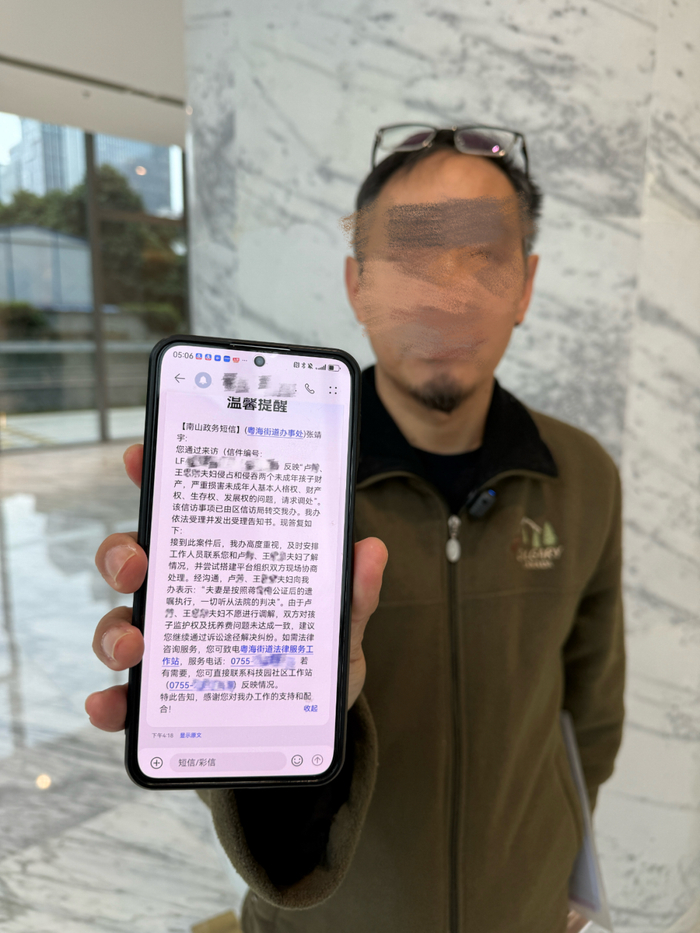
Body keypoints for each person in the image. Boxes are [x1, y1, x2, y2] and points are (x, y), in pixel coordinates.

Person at [86, 125, 625, 933]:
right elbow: (240, 777)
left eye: (483, 257)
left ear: (525, 284)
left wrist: (565, 876)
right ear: (358, 286)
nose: (447, 295)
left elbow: (590, 706)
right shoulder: (267, 476)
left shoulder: (581, 473)